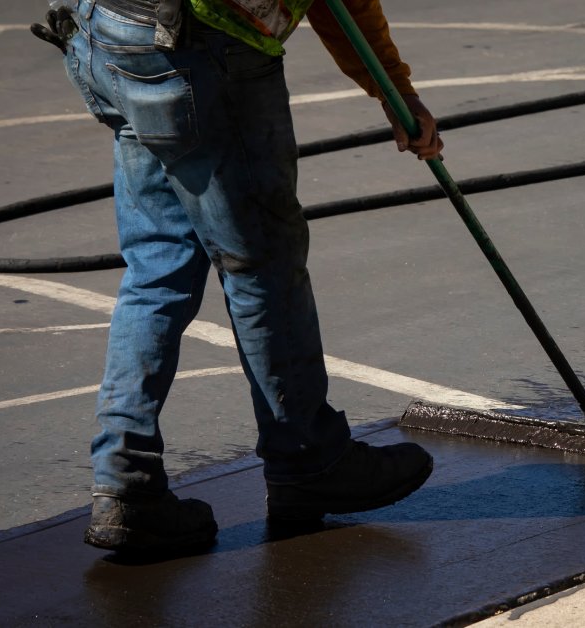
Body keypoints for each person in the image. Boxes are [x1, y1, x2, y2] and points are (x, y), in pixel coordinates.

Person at [32, 0, 442, 553]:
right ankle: (307, 459)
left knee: (157, 265)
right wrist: (396, 91)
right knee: (261, 263)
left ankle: (125, 484)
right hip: (201, 48)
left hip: (107, 30)